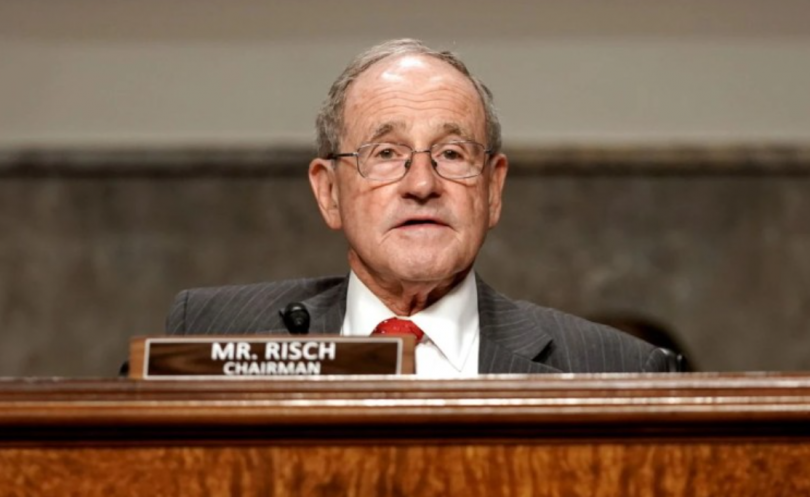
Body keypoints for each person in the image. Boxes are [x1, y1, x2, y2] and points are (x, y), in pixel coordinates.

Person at [165, 39, 672, 375]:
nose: (422, 184)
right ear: (329, 192)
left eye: (452, 154)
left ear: (493, 189)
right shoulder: (212, 332)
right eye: (386, 154)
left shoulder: (613, 367)